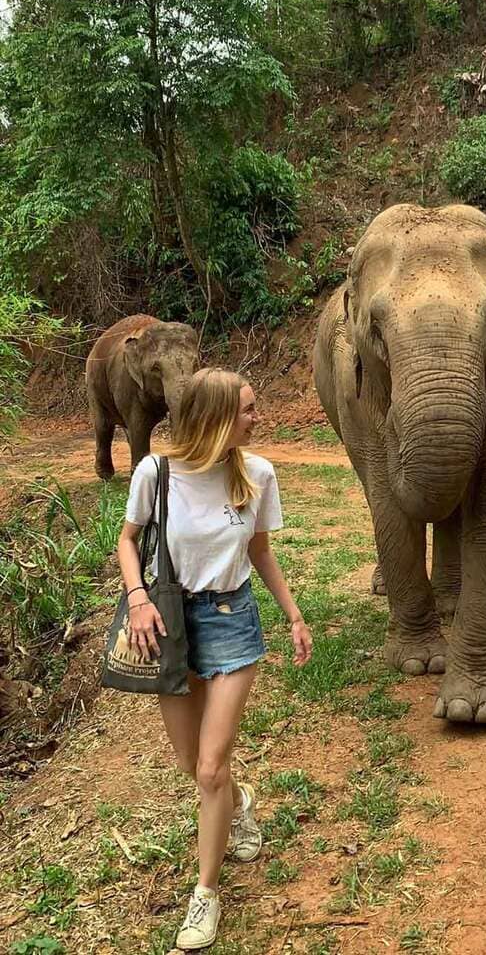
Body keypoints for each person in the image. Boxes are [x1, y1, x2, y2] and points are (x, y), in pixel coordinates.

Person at [117, 368, 313, 950]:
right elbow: (128, 540)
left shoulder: (257, 473)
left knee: (208, 766)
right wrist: (137, 602)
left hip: (231, 623)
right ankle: (240, 803)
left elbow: (260, 552)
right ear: (214, 418)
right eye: (248, 410)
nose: (259, 418)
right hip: (170, 623)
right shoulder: (156, 473)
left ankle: (205, 895)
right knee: (192, 764)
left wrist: (294, 615)